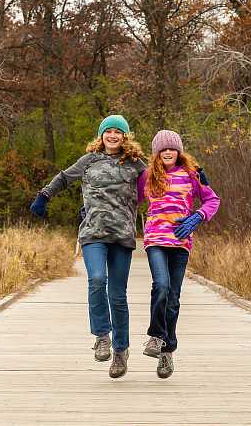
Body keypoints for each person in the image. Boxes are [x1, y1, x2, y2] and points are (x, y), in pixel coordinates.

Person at [29, 115, 146, 378]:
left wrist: (192, 178)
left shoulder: (136, 165)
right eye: (108, 131)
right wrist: (44, 195)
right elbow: (64, 178)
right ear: (101, 135)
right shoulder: (89, 160)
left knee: (117, 295)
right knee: (95, 279)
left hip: (123, 235)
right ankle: (102, 335)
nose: (113, 136)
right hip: (93, 233)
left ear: (125, 136)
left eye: (118, 132)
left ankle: (120, 352)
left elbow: (160, 183)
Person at [138, 130, 220, 378]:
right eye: (163, 149)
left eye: (172, 149)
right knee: (161, 286)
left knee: (173, 298)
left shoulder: (192, 175)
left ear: (179, 151)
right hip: (155, 239)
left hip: (181, 241)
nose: (168, 152)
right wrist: (95, 207)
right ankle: (155, 336)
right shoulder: (149, 176)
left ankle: (166, 352)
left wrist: (197, 216)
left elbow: (212, 200)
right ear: (157, 153)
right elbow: (129, 199)